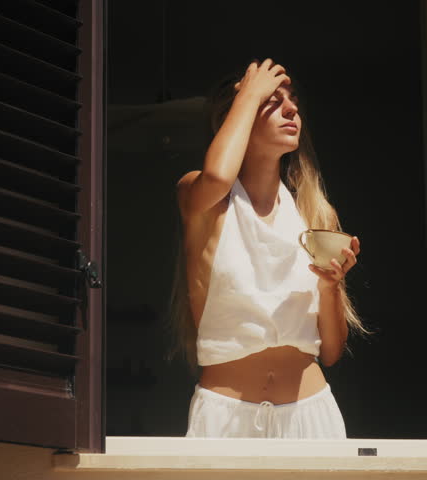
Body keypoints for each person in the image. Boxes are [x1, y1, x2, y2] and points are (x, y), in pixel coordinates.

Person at [173, 59, 365, 438]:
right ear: (237, 114)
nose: (291, 110)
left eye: (293, 102)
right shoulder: (202, 197)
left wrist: (330, 287)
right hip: (225, 418)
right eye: (273, 101)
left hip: (310, 415)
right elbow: (218, 175)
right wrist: (249, 95)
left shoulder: (314, 213)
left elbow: (330, 352)